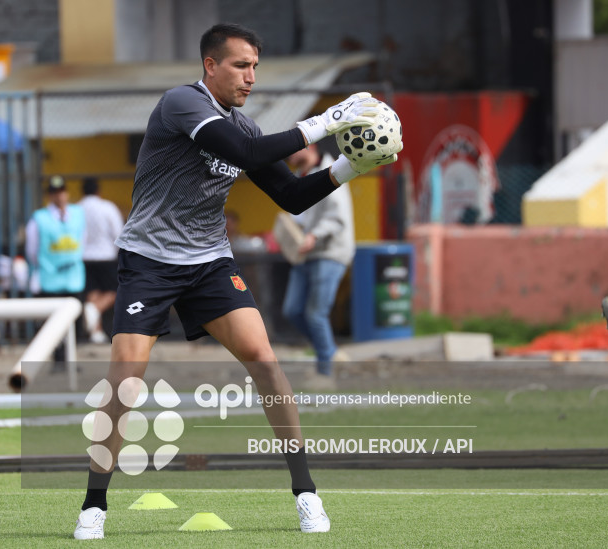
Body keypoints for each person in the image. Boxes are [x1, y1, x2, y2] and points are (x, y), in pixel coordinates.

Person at [74, 22, 399, 540]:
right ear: (211, 66)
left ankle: (307, 495)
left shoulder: (243, 127)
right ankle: (94, 505)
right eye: (241, 65)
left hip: (208, 262)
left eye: (254, 67)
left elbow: (290, 197)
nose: (250, 77)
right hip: (150, 259)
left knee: (265, 361)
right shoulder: (181, 103)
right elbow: (246, 156)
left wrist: (349, 167)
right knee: (126, 377)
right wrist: (329, 119)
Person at [281, 144, 354, 390]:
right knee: (292, 310)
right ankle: (331, 352)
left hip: (330, 253)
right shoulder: (303, 175)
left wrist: (314, 235)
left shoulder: (331, 171)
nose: (288, 152)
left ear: (310, 146)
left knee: (315, 313)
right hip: (307, 254)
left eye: (293, 146)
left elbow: (337, 217)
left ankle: (325, 375)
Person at [25, 175, 85, 362]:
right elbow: (32, 250)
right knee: (51, 324)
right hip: (50, 279)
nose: (60, 196)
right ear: (49, 196)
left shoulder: (78, 214)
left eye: (62, 191)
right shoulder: (39, 219)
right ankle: (58, 359)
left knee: (75, 324)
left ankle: (69, 359)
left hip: (73, 278)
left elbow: (83, 240)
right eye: (55, 193)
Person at [79, 177, 125, 344]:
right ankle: (95, 310)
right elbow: (118, 233)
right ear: (98, 191)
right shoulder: (107, 207)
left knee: (93, 293)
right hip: (106, 257)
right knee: (114, 291)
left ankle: (96, 332)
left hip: (84, 257)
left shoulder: (77, 209)